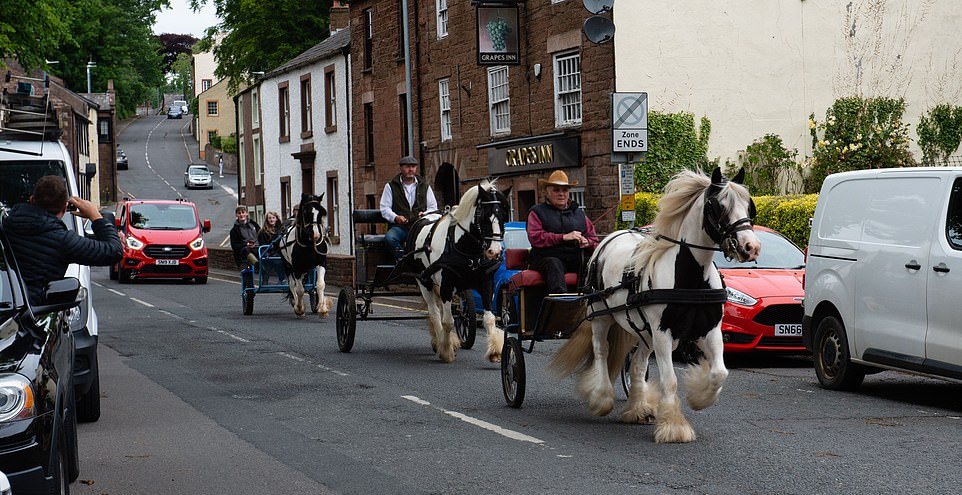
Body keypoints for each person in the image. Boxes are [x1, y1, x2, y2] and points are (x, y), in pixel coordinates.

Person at [1, 175, 122, 304]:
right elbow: (114, 251)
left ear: (31, 200)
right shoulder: (64, 240)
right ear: (65, 208)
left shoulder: (5, 225)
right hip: (33, 313)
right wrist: (95, 216)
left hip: (6, 306)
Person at [526, 169, 599, 294]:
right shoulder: (537, 212)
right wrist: (563, 237)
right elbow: (535, 237)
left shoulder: (579, 213)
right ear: (547, 192)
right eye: (556, 190)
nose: (561, 194)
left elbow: (594, 239)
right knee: (554, 264)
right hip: (546, 258)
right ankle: (561, 305)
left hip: (576, 257)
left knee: (594, 264)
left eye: (564, 190)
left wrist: (587, 242)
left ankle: (592, 301)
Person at [378, 155, 438, 261]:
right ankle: (404, 261)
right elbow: (385, 208)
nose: (411, 169)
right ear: (401, 168)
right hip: (400, 228)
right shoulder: (391, 186)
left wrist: (425, 214)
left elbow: (433, 207)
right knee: (390, 238)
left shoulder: (424, 186)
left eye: (413, 166)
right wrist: (396, 217)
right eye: (407, 166)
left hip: (421, 227)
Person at [257, 211, 287, 284]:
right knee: (267, 264)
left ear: (276, 219)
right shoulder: (262, 231)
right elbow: (262, 245)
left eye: (273, 218)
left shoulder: (280, 230)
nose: (271, 220)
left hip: (277, 252)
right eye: (269, 218)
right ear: (267, 220)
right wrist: (267, 253)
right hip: (266, 252)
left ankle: (282, 280)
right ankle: (265, 282)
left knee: (280, 261)